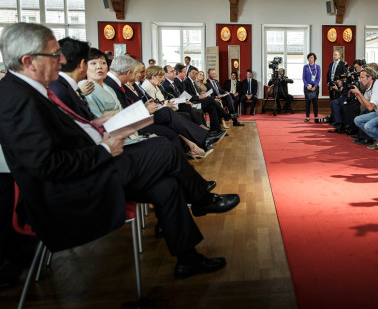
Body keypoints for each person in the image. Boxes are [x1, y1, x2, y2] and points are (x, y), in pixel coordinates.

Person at [0, 23, 240, 280]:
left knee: (167, 186)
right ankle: (202, 199)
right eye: (54, 55)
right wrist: (104, 149)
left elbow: (59, 139)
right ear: (29, 61)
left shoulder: (28, 91)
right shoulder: (18, 99)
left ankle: (188, 259)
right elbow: (46, 165)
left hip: (88, 170)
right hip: (71, 190)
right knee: (166, 149)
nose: (61, 60)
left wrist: (93, 126)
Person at [302, 53, 321, 121]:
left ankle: (316, 116)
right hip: (307, 87)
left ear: (314, 59)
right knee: (307, 102)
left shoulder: (317, 67)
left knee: (315, 102)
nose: (311, 59)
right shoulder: (305, 67)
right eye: (309, 57)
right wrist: (307, 86)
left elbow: (318, 78)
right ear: (308, 59)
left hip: (315, 87)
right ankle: (307, 117)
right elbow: (303, 78)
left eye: (312, 57)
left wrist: (315, 86)